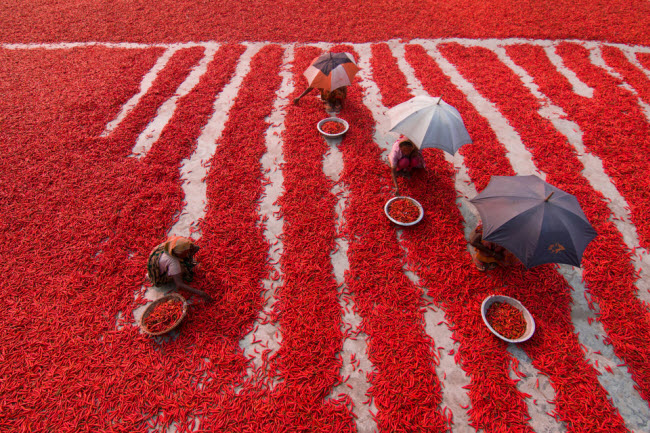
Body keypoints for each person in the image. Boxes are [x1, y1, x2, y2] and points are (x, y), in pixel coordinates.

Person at [146, 235, 213, 302]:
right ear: (178, 254)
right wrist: (200, 293)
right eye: (185, 252)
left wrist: (192, 248)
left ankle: (168, 269)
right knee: (182, 269)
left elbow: (190, 246)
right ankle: (169, 274)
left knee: (185, 258)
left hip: (158, 262)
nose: (187, 252)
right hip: (159, 275)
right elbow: (179, 285)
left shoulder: (171, 245)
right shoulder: (173, 261)